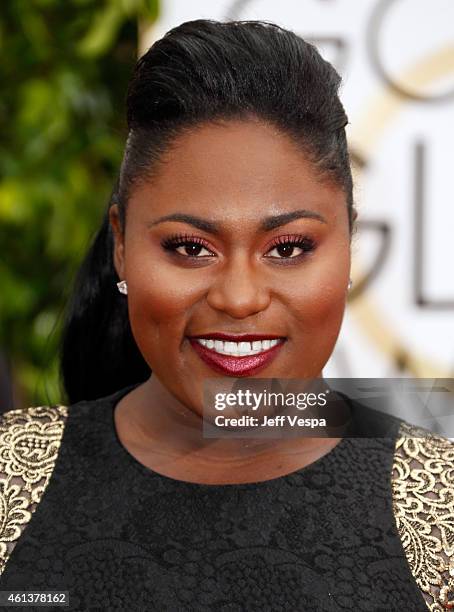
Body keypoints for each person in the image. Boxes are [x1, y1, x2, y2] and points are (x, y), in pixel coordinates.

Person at [0, 19, 452, 612]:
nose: (239, 298)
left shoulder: (441, 506)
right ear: (120, 244)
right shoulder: (10, 480)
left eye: (289, 248)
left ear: (347, 245)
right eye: (189, 248)